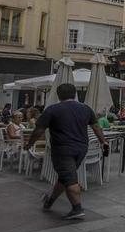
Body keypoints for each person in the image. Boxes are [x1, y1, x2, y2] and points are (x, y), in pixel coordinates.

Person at [25, 84, 108, 220]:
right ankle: (49, 200)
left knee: (70, 179)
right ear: (75, 94)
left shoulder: (53, 110)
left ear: (59, 95)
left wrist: (29, 144)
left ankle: (77, 208)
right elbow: (96, 127)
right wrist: (103, 141)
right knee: (66, 177)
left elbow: (39, 130)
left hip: (62, 149)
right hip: (81, 149)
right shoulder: (86, 108)